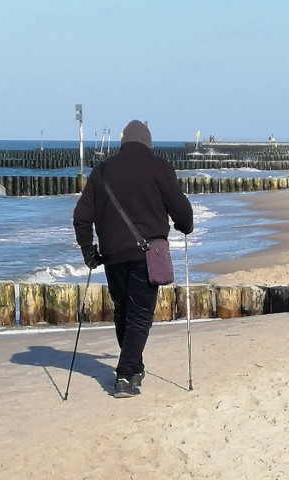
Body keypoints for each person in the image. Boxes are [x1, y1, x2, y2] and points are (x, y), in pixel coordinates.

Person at [73, 120, 194, 398]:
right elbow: (180, 208)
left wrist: (87, 250)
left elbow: (81, 216)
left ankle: (134, 365)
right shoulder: (160, 167)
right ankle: (125, 375)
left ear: (123, 142)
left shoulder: (102, 170)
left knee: (123, 312)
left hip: (113, 255)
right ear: (148, 143)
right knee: (139, 315)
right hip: (147, 253)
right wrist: (185, 226)